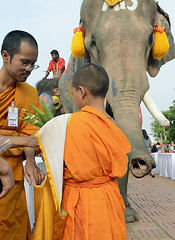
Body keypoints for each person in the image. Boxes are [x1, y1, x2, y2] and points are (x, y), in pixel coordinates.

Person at [34, 63, 131, 239]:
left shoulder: (68, 123)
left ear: (81, 91)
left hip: (79, 200)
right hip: (109, 200)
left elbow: (36, 143)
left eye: (73, 93)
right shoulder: (116, 127)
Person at [0, 30, 45, 240]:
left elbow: (31, 132)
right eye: (24, 62)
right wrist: (20, 140)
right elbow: (26, 137)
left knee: (14, 228)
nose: (29, 69)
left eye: (33, 64)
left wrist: (30, 162)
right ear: (6, 56)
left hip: (16, 173)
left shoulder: (29, 92)